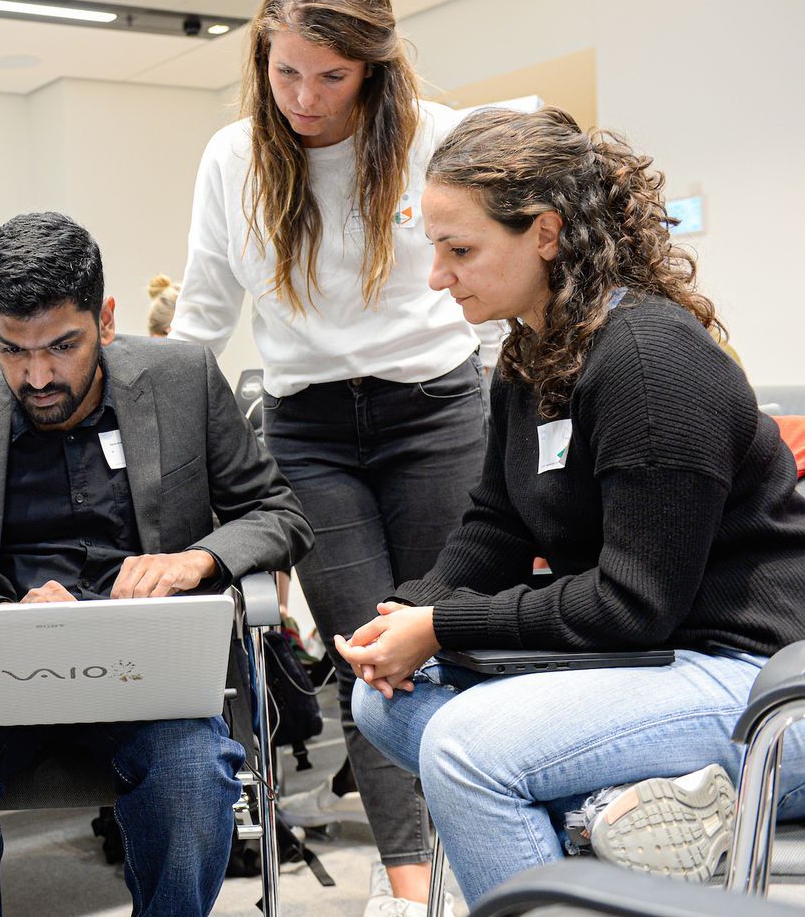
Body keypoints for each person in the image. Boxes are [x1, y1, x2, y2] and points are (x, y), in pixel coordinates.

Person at [339, 107, 805, 904]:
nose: (437, 277)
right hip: (653, 666)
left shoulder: (647, 360)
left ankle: (604, 825)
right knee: (384, 699)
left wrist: (443, 627)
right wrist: (409, 610)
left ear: (546, 234)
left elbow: (634, 603)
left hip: (755, 679)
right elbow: (498, 522)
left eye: (460, 251)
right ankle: (609, 815)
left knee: (467, 751)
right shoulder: (531, 356)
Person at [167, 0, 500, 913]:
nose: (304, 97)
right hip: (307, 426)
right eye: (285, 71)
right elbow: (205, 313)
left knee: (451, 638)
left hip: (438, 409)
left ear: (375, 68)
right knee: (368, 657)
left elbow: (495, 273)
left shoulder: (439, 138)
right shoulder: (234, 157)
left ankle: (482, 863)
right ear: (261, 58)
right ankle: (405, 886)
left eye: (332, 75)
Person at [0, 212, 312, 916]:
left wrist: (194, 560)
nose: (37, 375)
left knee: (193, 773)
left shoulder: (183, 380)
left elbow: (279, 514)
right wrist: (1, 615)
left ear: (105, 320)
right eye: (11, 349)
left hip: (146, 677)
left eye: (62, 346)